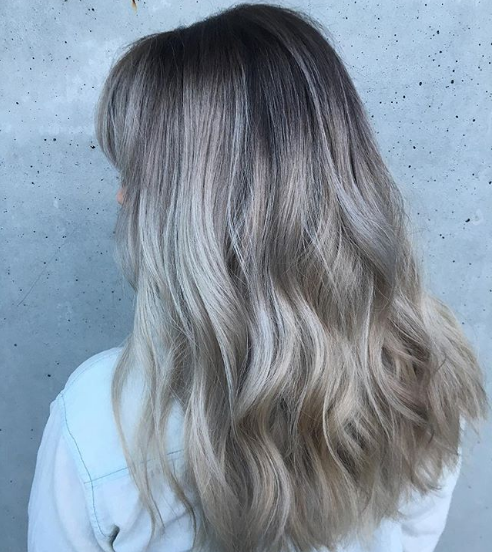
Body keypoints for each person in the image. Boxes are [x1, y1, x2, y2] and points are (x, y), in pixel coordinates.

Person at [27, 3, 488, 552]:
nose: (122, 197)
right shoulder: (422, 371)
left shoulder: (101, 422)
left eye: (137, 175)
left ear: (195, 208)